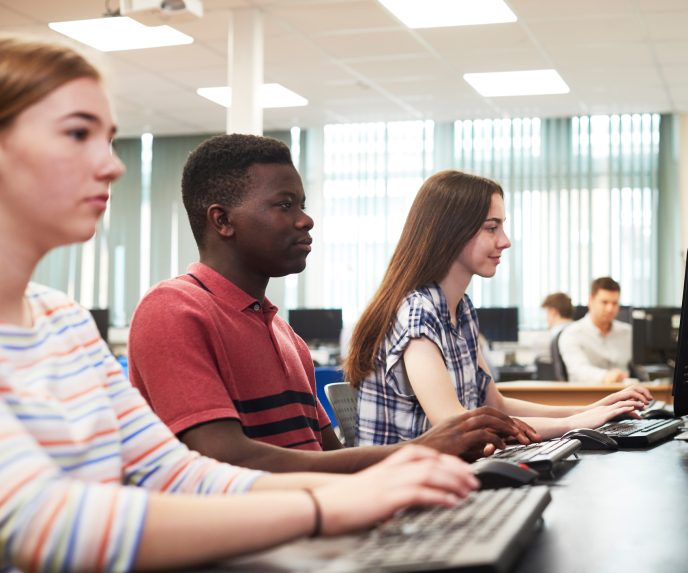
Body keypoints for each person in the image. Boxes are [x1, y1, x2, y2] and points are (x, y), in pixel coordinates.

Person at [0, 35, 478, 571]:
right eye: (77, 133)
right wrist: (324, 507)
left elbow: (175, 472)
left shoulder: (65, 323)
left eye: (109, 139)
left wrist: (366, 492)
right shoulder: (171, 308)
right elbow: (41, 521)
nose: (112, 166)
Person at [128, 133, 532, 474]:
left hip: (312, 526)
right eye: (285, 205)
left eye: (302, 205)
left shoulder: (283, 335)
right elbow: (222, 459)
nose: (306, 220)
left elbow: (331, 457)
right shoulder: (174, 310)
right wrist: (424, 450)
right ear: (222, 221)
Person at [343, 170, 653, 446]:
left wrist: (595, 410)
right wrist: (573, 425)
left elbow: (497, 407)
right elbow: (455, 425)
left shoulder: (460, 310)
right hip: (403, 495)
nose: (505, 241)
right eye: (492, 228)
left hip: (443, 478)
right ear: (451, 232)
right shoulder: (417, 312)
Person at [557, 277, 633, 384]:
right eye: (604, 302)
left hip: (626, 395)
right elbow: (578, 370)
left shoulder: (628, 333)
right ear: (591, 301)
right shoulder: (571, 334)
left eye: (615, 303)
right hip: (587, 396)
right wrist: (606, 376)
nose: (610, 309)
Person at [534, 291, 576, 363]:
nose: (546, 318)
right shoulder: (582, 331)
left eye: (546, 313)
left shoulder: (545, 339)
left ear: (553, 312)